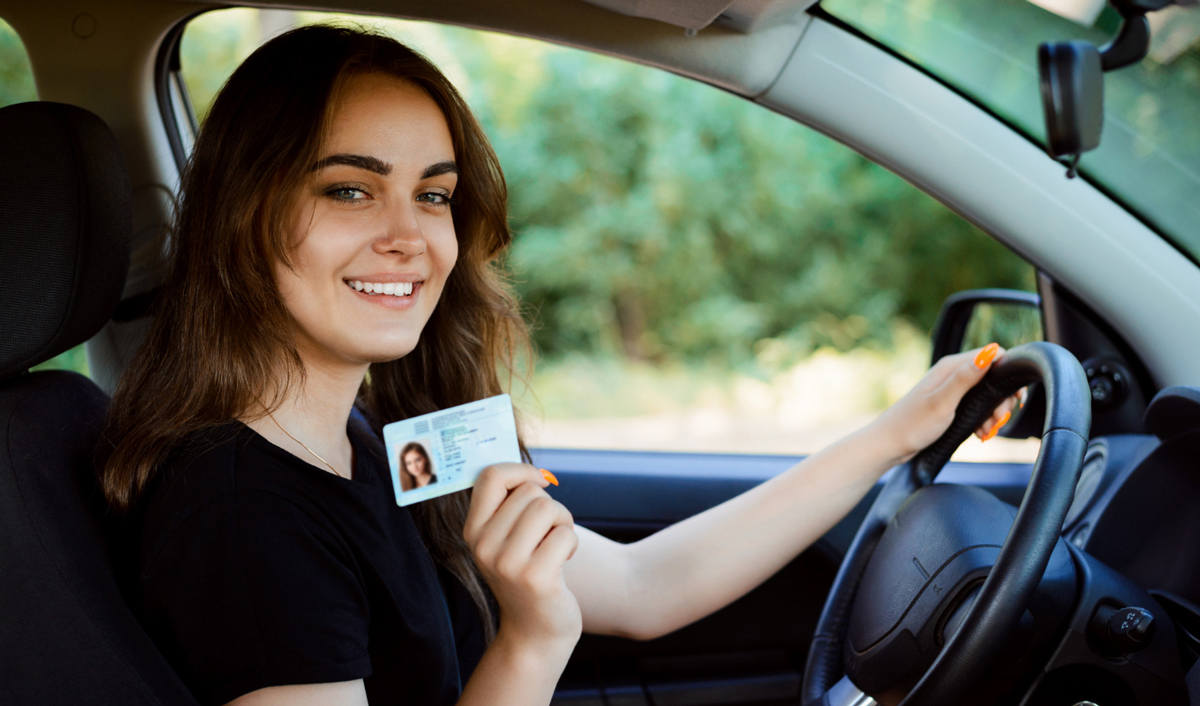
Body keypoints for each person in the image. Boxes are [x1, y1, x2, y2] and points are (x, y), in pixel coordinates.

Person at [99, 25, 1020, 706]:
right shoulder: (239, 515)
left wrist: (896, 433)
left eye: (434, 196)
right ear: (241, 215)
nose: (409, 238)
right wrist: (534, 641)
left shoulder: (372, 442)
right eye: (349, 189)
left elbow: (645, 587)